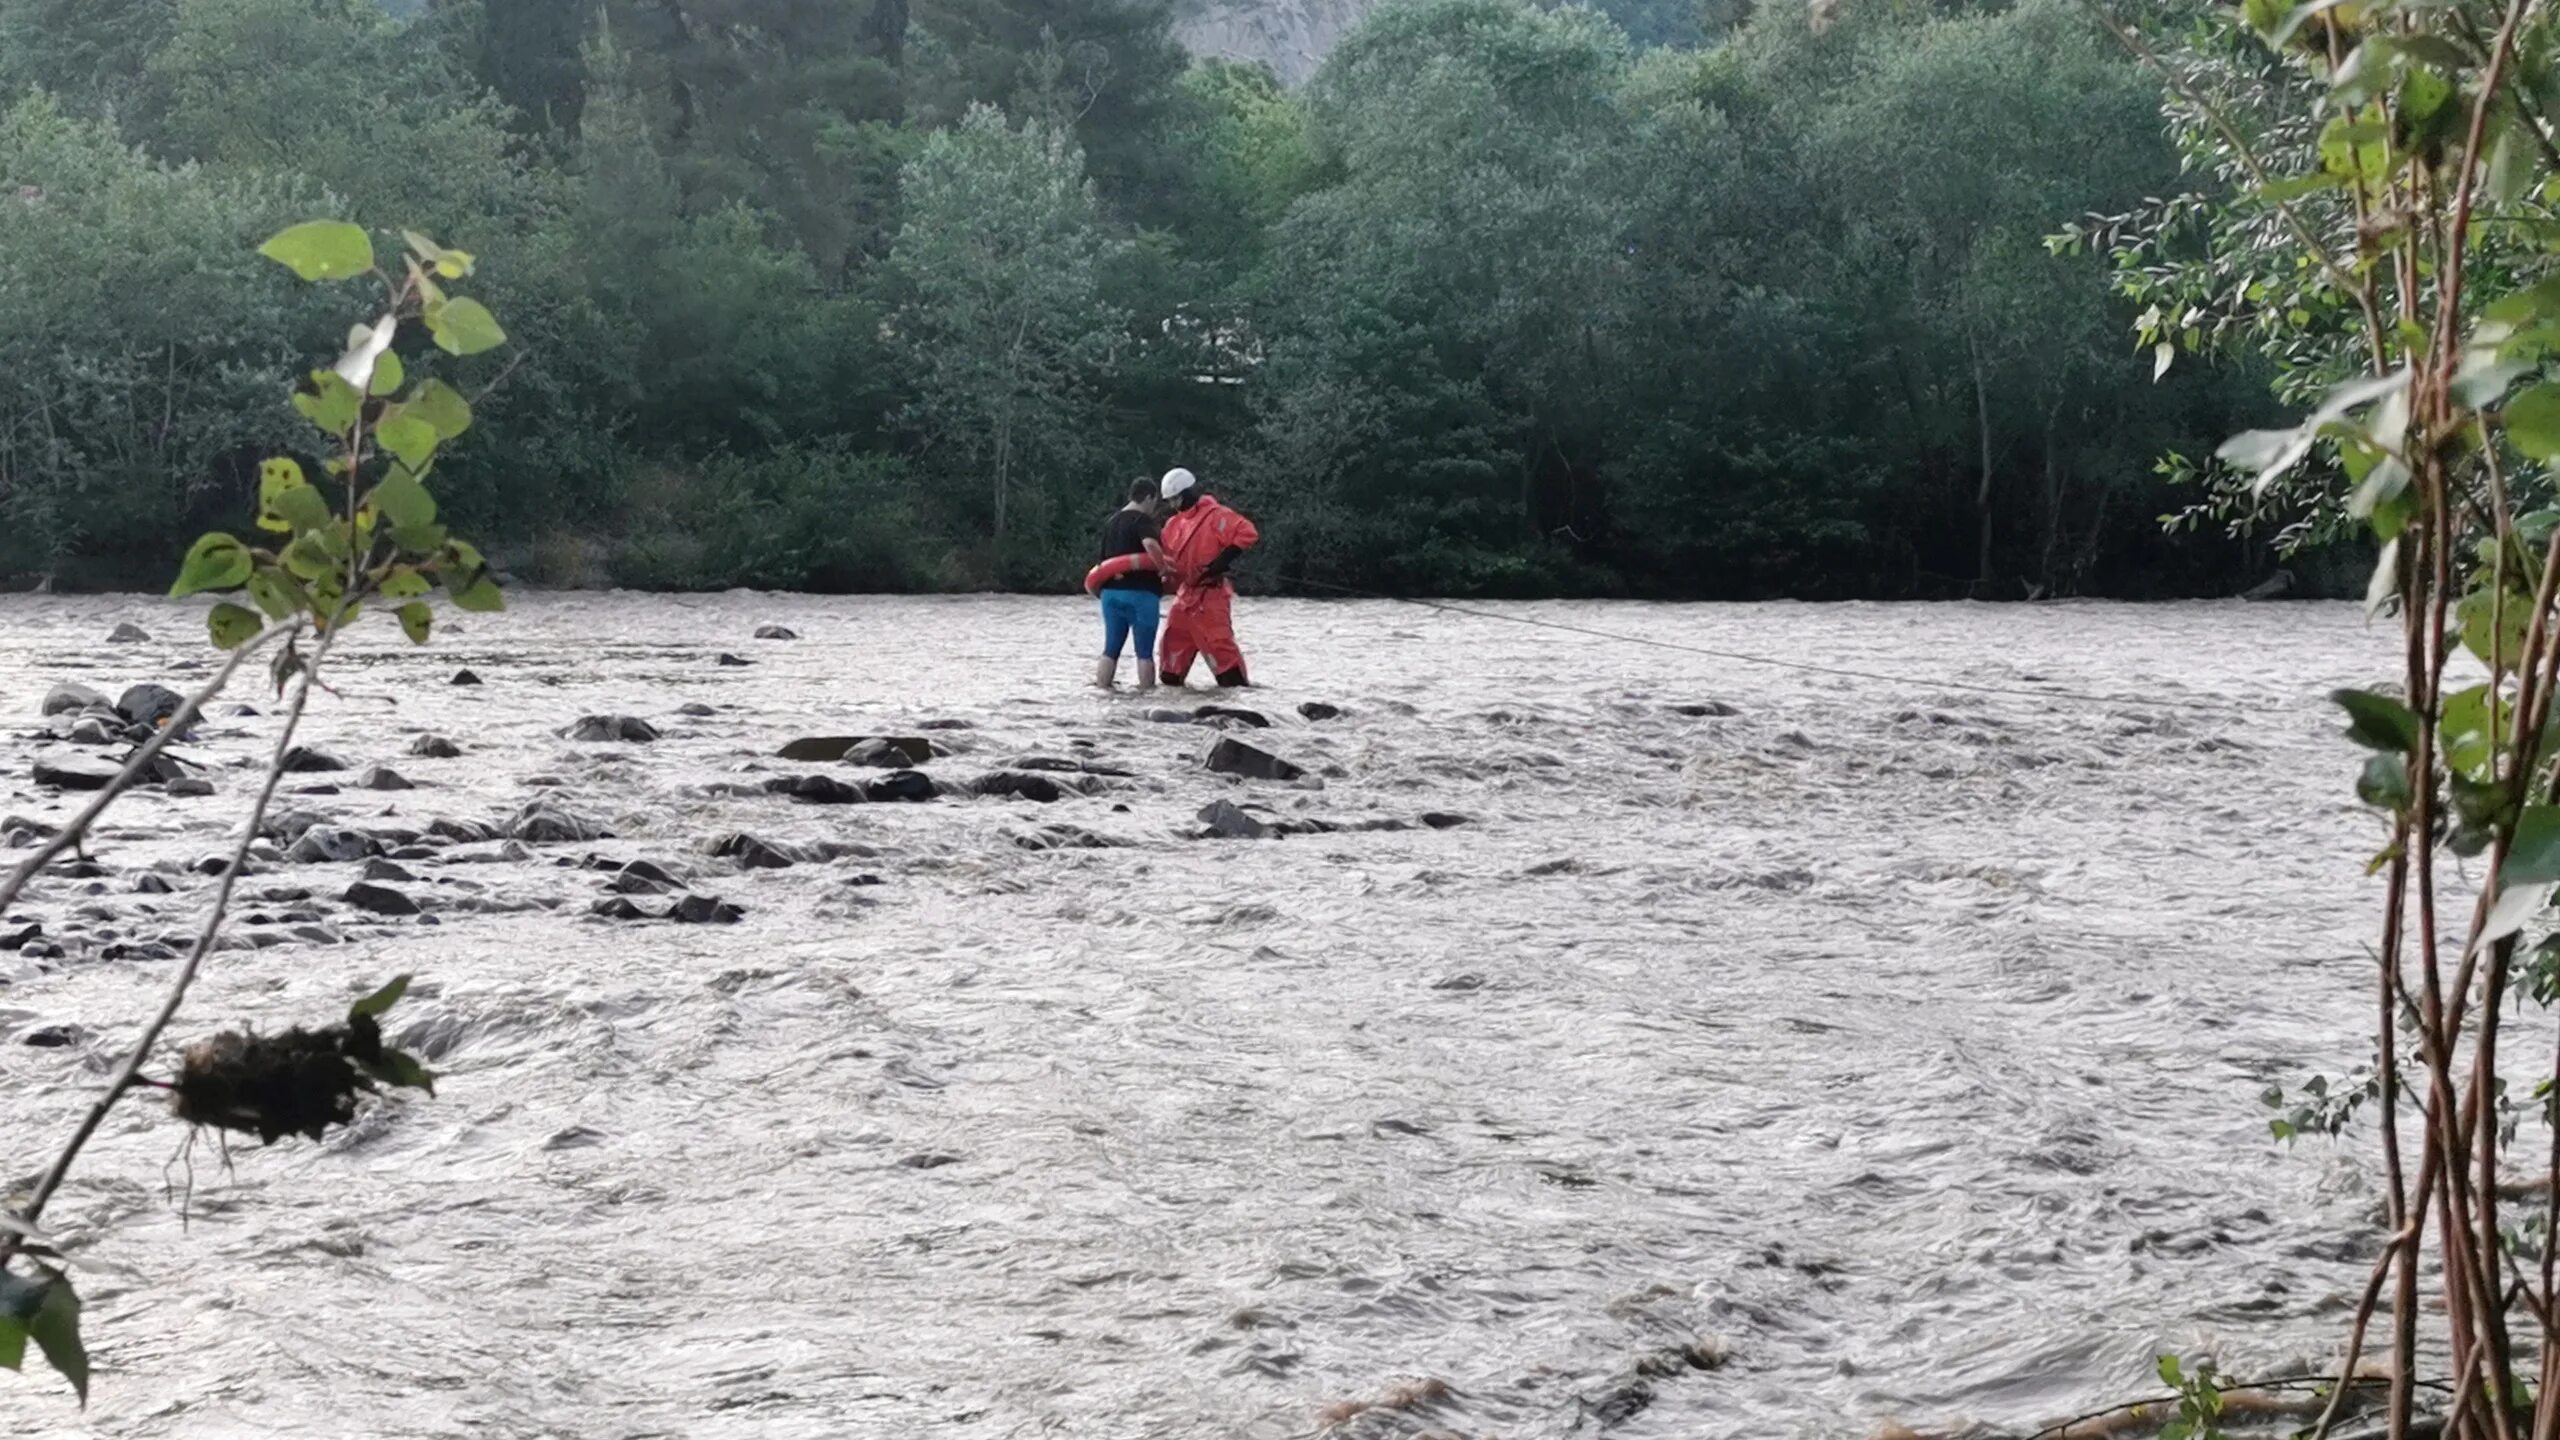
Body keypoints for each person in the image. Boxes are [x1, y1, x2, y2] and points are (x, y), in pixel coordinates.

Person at [1156, 466, 1259, 688]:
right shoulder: (1173, 525)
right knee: (1171, 650)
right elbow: (1166, 558)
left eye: (1176, 499)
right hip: (1185, 596)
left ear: (1187, 493)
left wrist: (1221, 562)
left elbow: (1247, 533)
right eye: (1170, 501)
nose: (1173, 506)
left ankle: (1237, 700)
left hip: (1210, 595)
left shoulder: (1217, 516)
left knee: (1221, 649)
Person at [1095, 477, 1168, 690]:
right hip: (1141, 593)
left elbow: (1102, 562)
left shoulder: (1111, 522)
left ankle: (1102, 689)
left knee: (1110, 648)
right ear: (1148, 497)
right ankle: (1147, 697)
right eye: (1154, 501)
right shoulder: (1142, 520)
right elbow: (1150, 544)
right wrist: (1163, 568)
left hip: (1111, 594)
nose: (1154, 507)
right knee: (1144, 652)